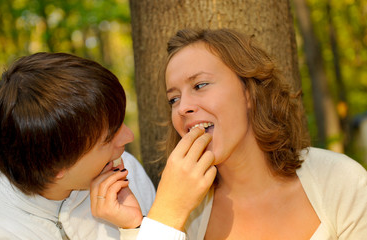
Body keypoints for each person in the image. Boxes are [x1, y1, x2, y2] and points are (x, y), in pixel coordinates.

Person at [100, 28, 367, 239]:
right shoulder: (183, 211)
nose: (183, 107)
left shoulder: (340, 181)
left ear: (249, 92)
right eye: (173, 99)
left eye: (200, 85)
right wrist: (141, 226)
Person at [0, 52, 216, 239]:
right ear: (57, 169)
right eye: (109, 138)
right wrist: (167, 215)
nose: (128, 137)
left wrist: (134, 227)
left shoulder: (122, 168)